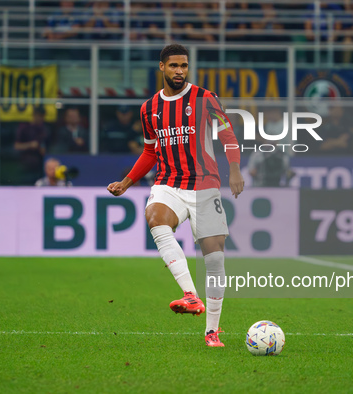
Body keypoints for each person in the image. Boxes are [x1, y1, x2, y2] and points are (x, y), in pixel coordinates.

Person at [107, 44, 244, 348]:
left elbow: (228, 135)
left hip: (205, 184)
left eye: (184, 66)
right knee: (155, 218)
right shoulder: (148, 109)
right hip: (168, 182)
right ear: (162, 68)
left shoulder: (205, 99)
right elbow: (149, 150)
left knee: (214, 257)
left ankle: (212, 331)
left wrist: (234, 169)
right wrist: (127, 183)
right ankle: (190, 295)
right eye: (174, 66)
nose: (180, 71)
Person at [14, 106, 50, 185]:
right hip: (25, 165)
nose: (40, 118)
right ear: (34, 115)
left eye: (42, 116)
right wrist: (30, 145)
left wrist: (43, 150)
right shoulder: (24, 128)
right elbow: (17, 146)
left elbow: (47, 147)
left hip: (40, 166)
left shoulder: (45, 129)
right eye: (38, 115)